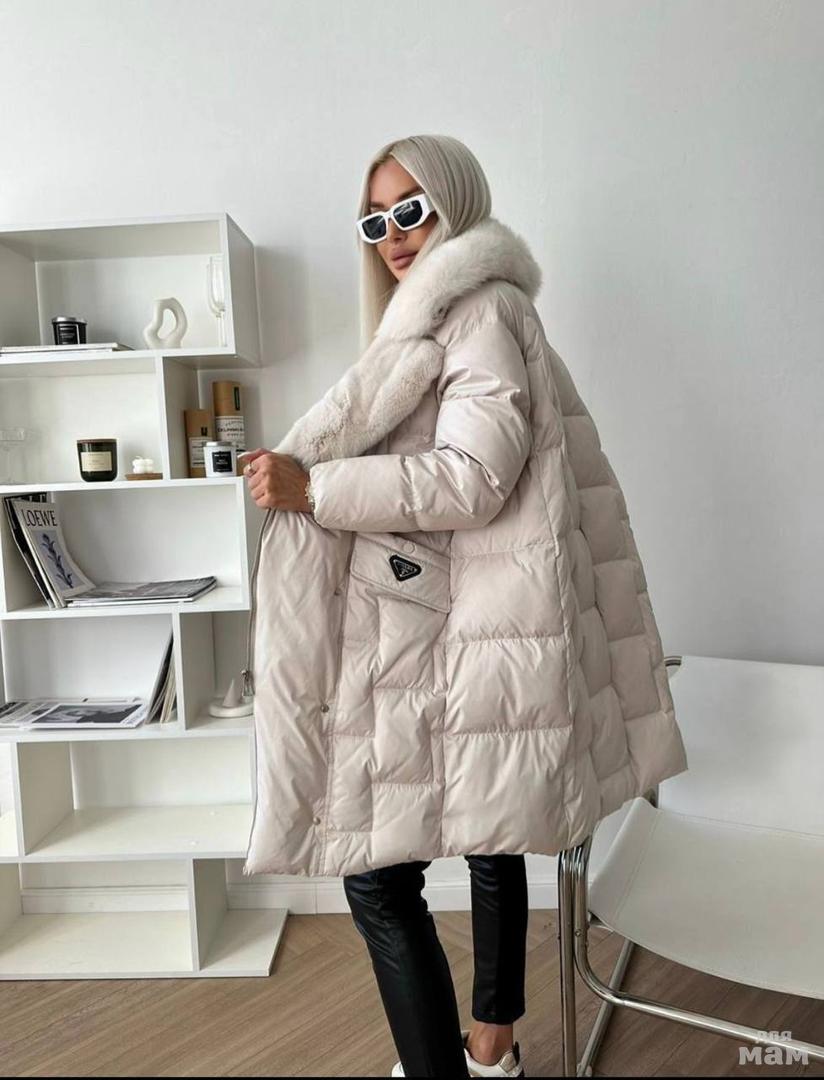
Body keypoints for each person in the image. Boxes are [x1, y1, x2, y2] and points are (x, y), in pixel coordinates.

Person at [241, 134, 688, 1078]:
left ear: (455, 203)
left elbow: (472, 478)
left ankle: (458, 1064)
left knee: (378, 877)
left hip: (477, 621)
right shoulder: (467, 308)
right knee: (494, 829)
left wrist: (317, 488)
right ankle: (492, 1048)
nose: (394, 235)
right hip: (485, 617)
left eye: (411, 210)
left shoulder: (476, 306)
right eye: (375, 221)